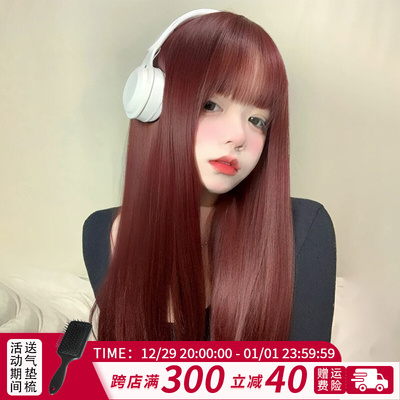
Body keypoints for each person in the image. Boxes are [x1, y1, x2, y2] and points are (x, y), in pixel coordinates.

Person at [83, 9, 336, 341]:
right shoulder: (100, 233)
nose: (239, 136)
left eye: (257, 121)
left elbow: (306, 370)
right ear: (152, 104)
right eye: (211, 105)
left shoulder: (303, 230)